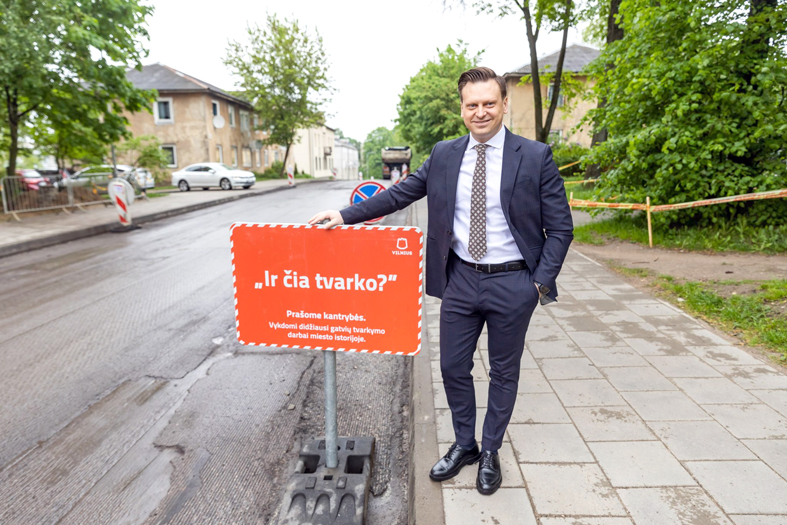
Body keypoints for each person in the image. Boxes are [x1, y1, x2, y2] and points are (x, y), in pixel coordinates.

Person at [309, 67, 573, 495]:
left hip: (514, 282)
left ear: (505, 104)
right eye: (473, 105)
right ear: (462, 108)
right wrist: (343, 215)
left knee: (504, 372)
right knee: (451, 366)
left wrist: (538, 284)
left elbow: (561, 228)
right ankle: (465, 444)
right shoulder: (445, 154)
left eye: (489, 103)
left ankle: (490, 450)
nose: (481, 112)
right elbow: (401, 194)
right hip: (461, 279)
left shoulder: (535, 156)